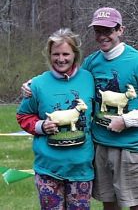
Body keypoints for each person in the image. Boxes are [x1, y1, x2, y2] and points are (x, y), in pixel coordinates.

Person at [21, 7, 138, 210]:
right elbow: (67, 77)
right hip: (100, 147)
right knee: (109, 202)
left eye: (108, 30)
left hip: (131, 149)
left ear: (120, 30)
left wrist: (127, 121)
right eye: (98, 30)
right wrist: (32, 84)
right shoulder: (91, 63)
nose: (102, 36)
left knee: (136, 204)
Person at [16, 28, 95, 210]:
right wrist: (41, 126)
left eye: (66, 54)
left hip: (81, 169)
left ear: (75, 54)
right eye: (55, 54)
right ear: (49, 55)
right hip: (48, 169)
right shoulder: (37, 84)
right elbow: (23, 115)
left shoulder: (89, 79)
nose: (61, 59)